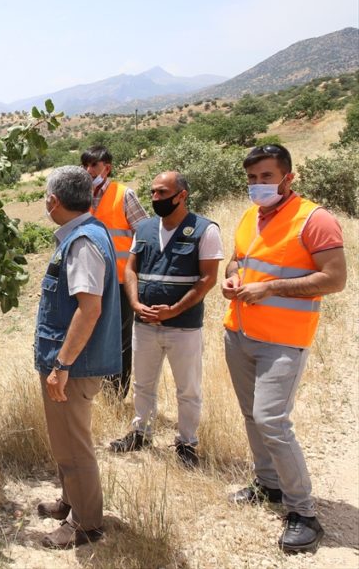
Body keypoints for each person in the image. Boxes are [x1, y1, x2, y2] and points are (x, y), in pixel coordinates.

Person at [222, 144, 346, 554]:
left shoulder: (314, 219)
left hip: (284, 339)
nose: (257, 185)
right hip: (240, 332)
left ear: (287, 178)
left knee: (271, 420)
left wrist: (271, 288)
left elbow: (334, 279)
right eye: (252, 178)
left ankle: (304, 513)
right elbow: (237, 260)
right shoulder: (250, 216)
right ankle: (268, 485)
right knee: (252, 417)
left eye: (266, 177)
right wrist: (233, 277)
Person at [33, 165, 122, 549]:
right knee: (64, 440)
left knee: (73, 445)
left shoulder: (82, 242)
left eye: (45, 197)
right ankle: (70, 502)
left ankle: (86, 524)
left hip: (73, 367)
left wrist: (62, 366)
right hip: (71, 364)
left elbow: (89, 310)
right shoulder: (88, 232)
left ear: (54, 200)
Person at [109, 171, 222, 466]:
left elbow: (208, 278)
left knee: (188, 389)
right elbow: (130, 269)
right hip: (145, 324)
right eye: (153, 192)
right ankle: (141, 433)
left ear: (181, 195)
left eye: (162, 193)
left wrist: (174, 310)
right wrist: (135, 303)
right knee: (143, 384)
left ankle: (187, 443)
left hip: (183, 327)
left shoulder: (204, 230)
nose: (156, 198)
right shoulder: (144, 228)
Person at [82, 145, 149, 399]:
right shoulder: (80, 198)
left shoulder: (124, 194)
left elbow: (145, 234)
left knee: (120, 339)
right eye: (85, 165)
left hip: (120, 282)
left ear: (107, 168)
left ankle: (116, 395)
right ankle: (95, 392)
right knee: (91, 335)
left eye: (94, 165)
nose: (88, 170)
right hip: (89, 282)